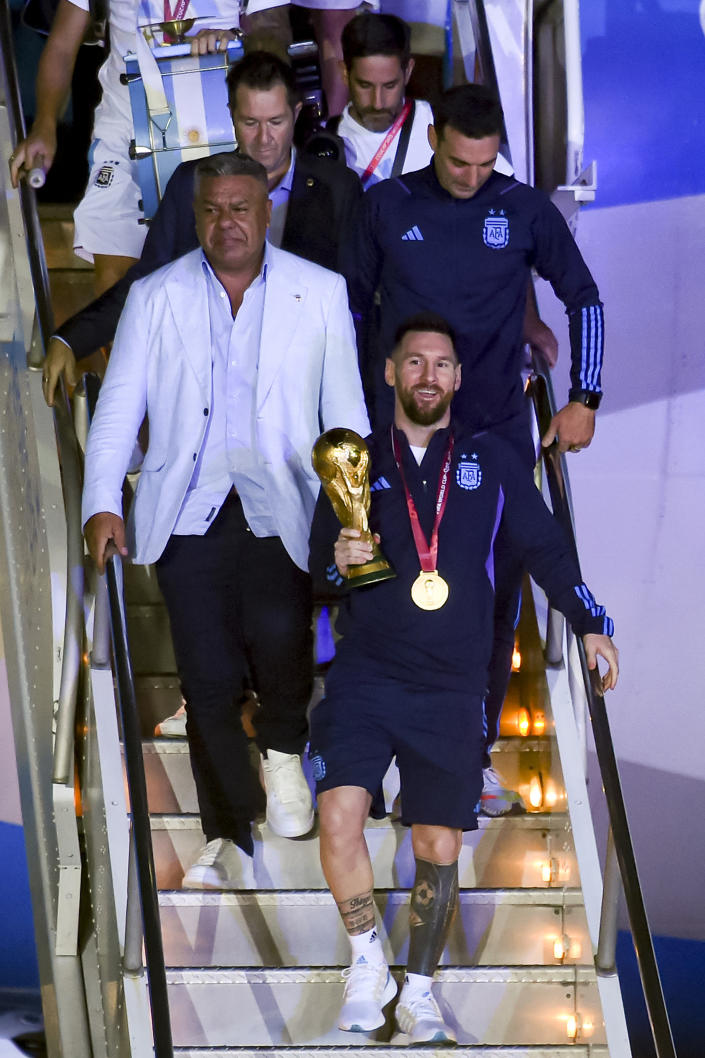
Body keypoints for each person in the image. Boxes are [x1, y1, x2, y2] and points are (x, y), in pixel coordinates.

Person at [308, 314, 618, 1042]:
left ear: (456, 379)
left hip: (451, 687)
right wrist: (338, 563)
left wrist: (589, 620)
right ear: (390, 373)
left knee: (438, 847)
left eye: (440, 365)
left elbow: (544, 547)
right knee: (337, 816)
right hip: (365, 675)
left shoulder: (490, 461)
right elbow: (319, 562)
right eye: (412, 362)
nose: (426, 375)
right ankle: (365, 965)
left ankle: (417, 989)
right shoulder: (352, 464)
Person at [81, 152, 369, 887]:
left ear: (266, 211)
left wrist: (355, 516)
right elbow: (117, 412)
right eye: (212, 210)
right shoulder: (156, 295)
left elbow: (344, 418)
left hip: (282, 502)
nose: (225, 223)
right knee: (205, 678)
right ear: (197, 214)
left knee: (280, 647)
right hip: (186, 509)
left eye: (240, 208)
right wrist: (104, 501)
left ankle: (281, 754)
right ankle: (225, 829)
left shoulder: (320, 292)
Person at [343, 82, 602, 814]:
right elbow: (349, 316)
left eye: (485, 165)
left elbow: (583, 296)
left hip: (491, 435)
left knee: (489, 604)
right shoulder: (386, 207)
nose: (471, 177)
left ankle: (475, 752)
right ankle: (383, 747)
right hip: (401, 441)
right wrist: (358, 423)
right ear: (434, 141)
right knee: (378, 590)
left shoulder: (521, 209)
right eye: (459, 163)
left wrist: (585, 396)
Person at [40, 49, 362, 405]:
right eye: (250, 122)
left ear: (297, 113)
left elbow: (352, 299)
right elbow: (147, 282)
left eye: (276, 121)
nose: (264, 138)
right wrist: (71, 338)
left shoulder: (337, 187)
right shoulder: (193, 181)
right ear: (231, 117)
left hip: (302, 389)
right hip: (209, 388)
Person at [9, 0, 295, 294]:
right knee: (117, 282)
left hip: (215, 128)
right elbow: (62, 47)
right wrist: (44, 125)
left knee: (216, 278)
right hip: (126, 128)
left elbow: (273, 35)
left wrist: (238, 41)